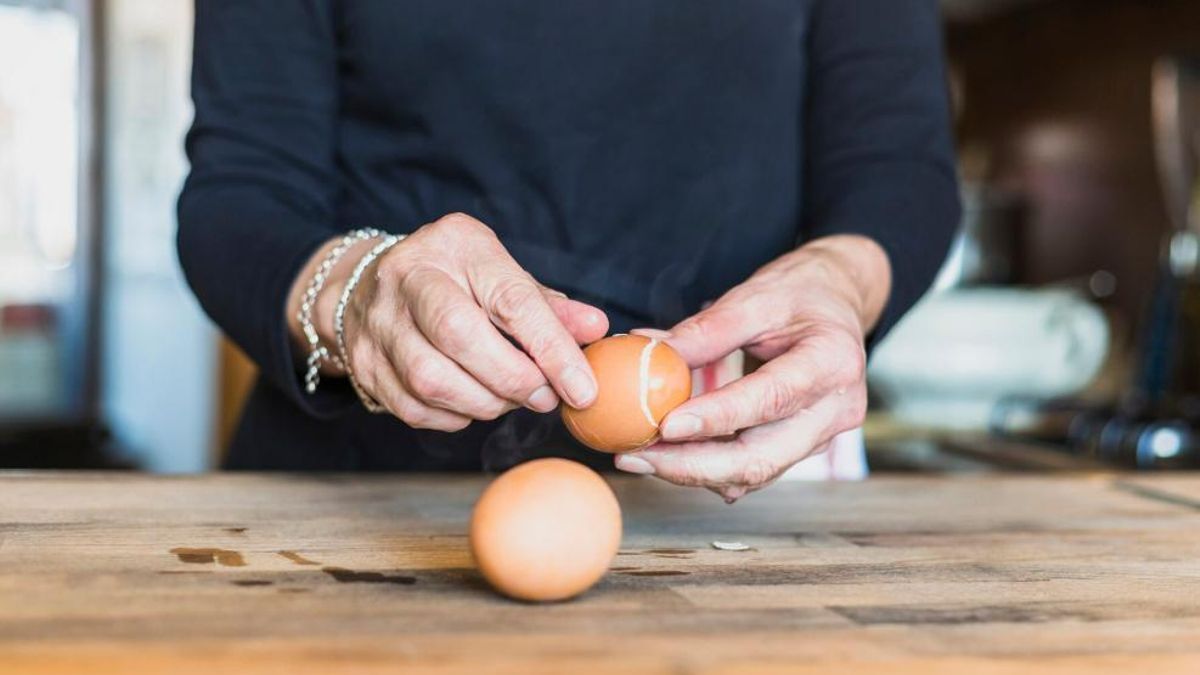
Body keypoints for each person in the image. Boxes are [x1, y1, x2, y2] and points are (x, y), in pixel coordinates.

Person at [178, 0, 960, 501]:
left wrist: (840, 279)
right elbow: (239, 194)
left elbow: (898, 170)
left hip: (738, 496)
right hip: (356, 498)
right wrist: (357, 291)